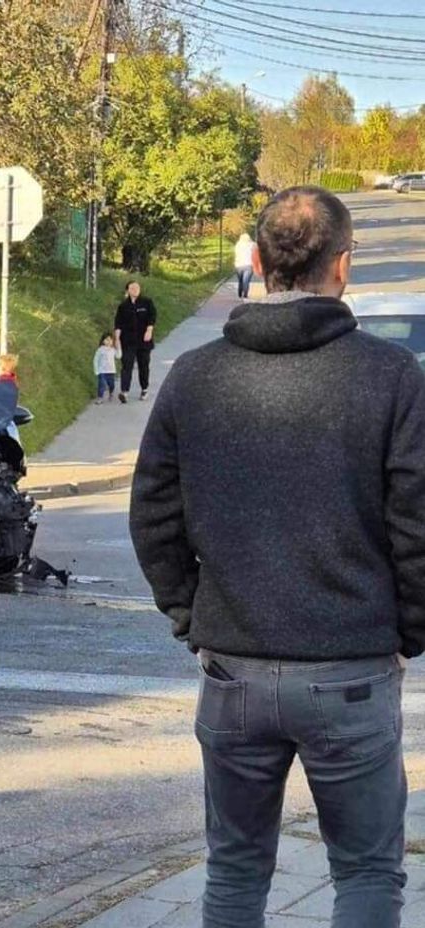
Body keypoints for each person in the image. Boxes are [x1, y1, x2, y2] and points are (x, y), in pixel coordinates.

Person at [130, 186, 425, 928]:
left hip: (232, 669)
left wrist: (191, 615)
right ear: (343, 267)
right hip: (351, 670)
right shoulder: (391, 378)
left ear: (258, 263)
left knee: (233, 874)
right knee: (365, 875)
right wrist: (407, 633)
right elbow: (417, 524)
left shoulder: (195, 377)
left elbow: (153, 516)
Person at [113, 281, 156, 403]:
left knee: (144, 365)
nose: (135, 289)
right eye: (132, 288)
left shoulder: (147, 302)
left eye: (137, 287)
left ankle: (144, 389)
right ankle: (124, 391)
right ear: (127, 290)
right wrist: (117, 340)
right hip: (128, 340)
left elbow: (152, 317)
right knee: (127, 365)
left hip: (143, 340)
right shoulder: (123, 306)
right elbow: (118, 323)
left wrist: (149, 330)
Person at [93, 332, 117, 405]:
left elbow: (118, 356)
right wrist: (96, 370)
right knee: (102, 384)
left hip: (111, 371)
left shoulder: (113, 350)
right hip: (102, 371)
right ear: (103, 341)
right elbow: (95, 360)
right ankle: (100, 397)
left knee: (111, 384)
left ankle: (111, 392)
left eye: (110, 340)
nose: (108, 341)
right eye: (106, 340)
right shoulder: (100, 350)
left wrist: (119, 347)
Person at [234, 231, 255, 299]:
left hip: (239, 265)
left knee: (240, 280)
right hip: (249, 265)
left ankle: (240, 293)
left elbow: (236, 253)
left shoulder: (238, 244)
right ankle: (245, 294)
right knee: (246, 281)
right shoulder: (252, 244)